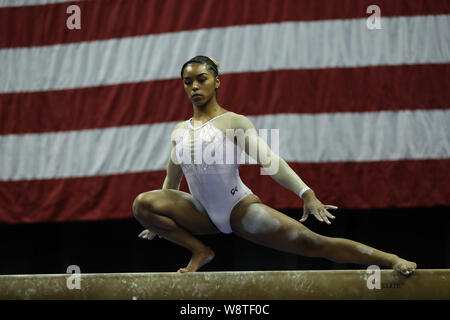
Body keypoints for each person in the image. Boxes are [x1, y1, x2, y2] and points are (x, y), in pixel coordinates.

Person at [133, 55, 416, 275]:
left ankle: (390, 259)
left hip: (238, 210)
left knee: (313, 244)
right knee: (142, 203)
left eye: (202, 79)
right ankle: (200, 251)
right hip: (201, 214)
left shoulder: (233, 122)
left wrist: (306, 192)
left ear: (217, 81)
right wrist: (154, 222)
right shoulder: (179, 132)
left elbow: (270, 160)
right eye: (187, 81)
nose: (194, 86)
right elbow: (170, 186)